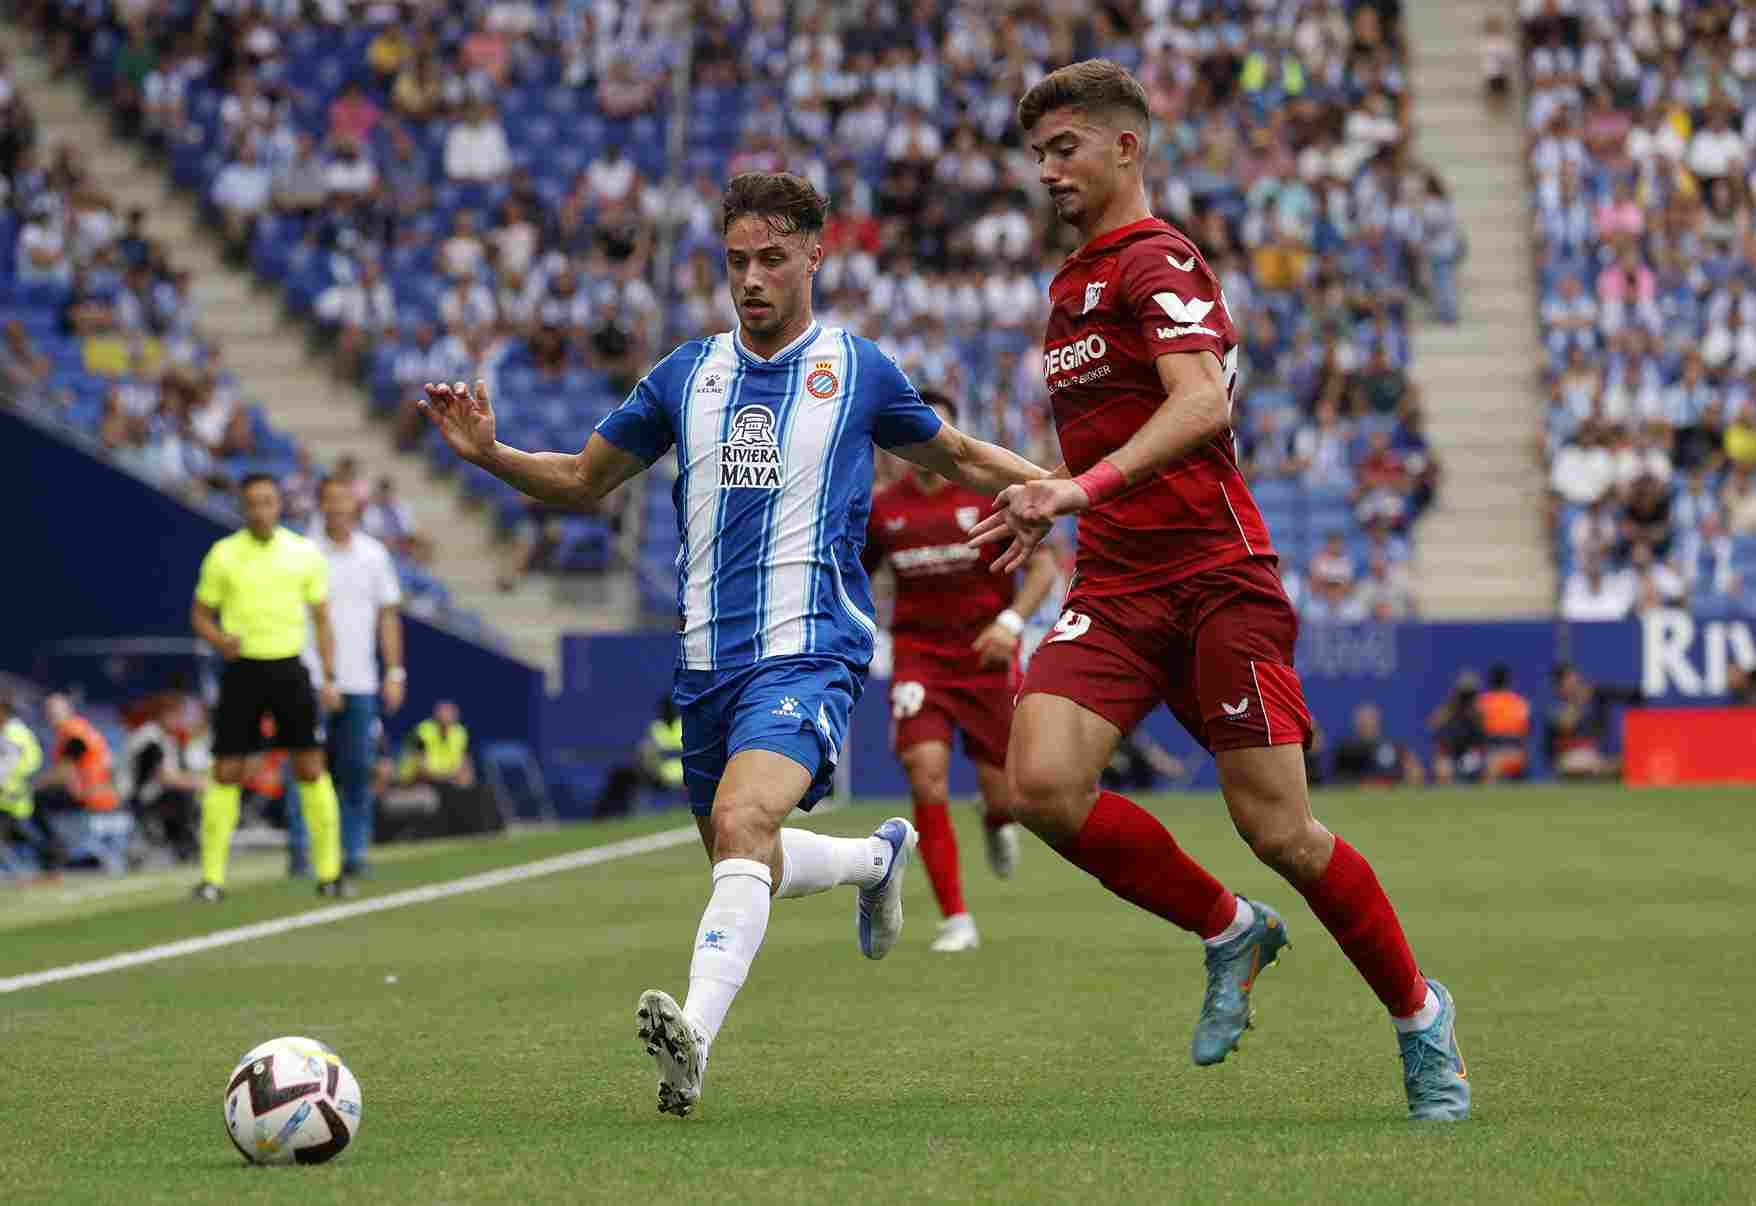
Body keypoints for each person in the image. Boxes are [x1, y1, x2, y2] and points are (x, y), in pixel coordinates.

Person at [417, 171, 1049, 1118]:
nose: (751, 279)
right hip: (705, 664)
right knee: (738, 849)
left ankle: (695, 1041)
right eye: (736, 261)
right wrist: (494, 457)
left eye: (771, 259)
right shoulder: (685, 375)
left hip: (810, 651)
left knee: (745, 825)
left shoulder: (857, 370)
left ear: (813, 257)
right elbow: (587, 478)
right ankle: (877, 862)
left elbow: (957, 456)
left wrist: (1057, 486)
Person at [966, 61, 1468, 1122]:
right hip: (1116, 581)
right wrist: (1013, 480)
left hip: (1212, 577)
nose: (1046, 171)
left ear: (1124, 147)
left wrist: (1077, 488)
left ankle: (1422, 1018)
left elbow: (1198, 407)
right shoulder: (1069, 285)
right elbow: (1096, 446)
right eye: (1037, 154)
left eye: (1064, 149)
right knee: (1041, 788)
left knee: (1281, 832)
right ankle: (1228, 929)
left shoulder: (1161, 261)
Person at [861, 390, 1060, 953]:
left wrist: (1011, 623)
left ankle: (998, 820)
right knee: (925, 776)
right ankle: (956, 918)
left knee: (1005, 795)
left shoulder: (991, 496)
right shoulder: (883, 508)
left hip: (986, 656)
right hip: (919, 658)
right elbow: (854, 575)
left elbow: (1046, 565)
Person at [189, 473, 347, 901]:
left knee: (311, 768)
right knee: (226, 771)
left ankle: (330, 872)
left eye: (268, 501)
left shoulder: (303, 554)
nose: (261, 509)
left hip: (289, 669)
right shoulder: (223, 556)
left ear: (279, 505)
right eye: (253, 502)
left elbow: (322, 620)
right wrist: (219, 639)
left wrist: (329, 676)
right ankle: (211, 878)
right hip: (242, 670)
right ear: (243, 508)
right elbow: (200, 615)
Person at [288, 476, 405, 880]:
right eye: (330, 501)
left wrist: (394, 672)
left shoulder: (374, 555)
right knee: (307, 768)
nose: (338, 508)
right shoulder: (302, 553)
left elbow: (388, 616)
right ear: (320, 505)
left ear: (355, 507)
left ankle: (354, 853)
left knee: (358, 771)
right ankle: (303, 853)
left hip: (360, 680)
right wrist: (309, 674)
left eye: (345, 501)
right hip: (309, 677)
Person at [37, 693, 119, 816]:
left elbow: (63, 771)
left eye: (55, 710)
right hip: (105, 796)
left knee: (33, 801)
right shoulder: (82, 727)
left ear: (68, 709)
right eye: (48, 710)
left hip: (90, 798)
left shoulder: (71, 733)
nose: (51, 714)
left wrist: (36, 785)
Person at [1330, 704, 1424, 787]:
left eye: (1370, 718)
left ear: (1378, 720)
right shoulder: (1345, 750)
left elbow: (1415, 772)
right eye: (1363, 720)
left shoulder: (1395, 746)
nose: (1367, 723)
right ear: (1356, 723)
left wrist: (1413, 773)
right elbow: (1340, 780)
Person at [1477, 663, 1532, 781]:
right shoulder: (1520, 703)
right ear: (1507, 681)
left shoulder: (1483, 703)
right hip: (1516, 754)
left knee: (1490, 765)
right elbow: (1526, 733)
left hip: (1495, 755)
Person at [401, 700, 473, 787]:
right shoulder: (423, 730)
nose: (446, 716)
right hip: (417, 779)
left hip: (447, 779)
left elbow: (464, 760)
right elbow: (420, 765)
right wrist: (445, 777)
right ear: (436, 715)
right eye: (443, 712)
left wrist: (463, 775)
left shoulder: (460, 732)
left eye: (450, 713)